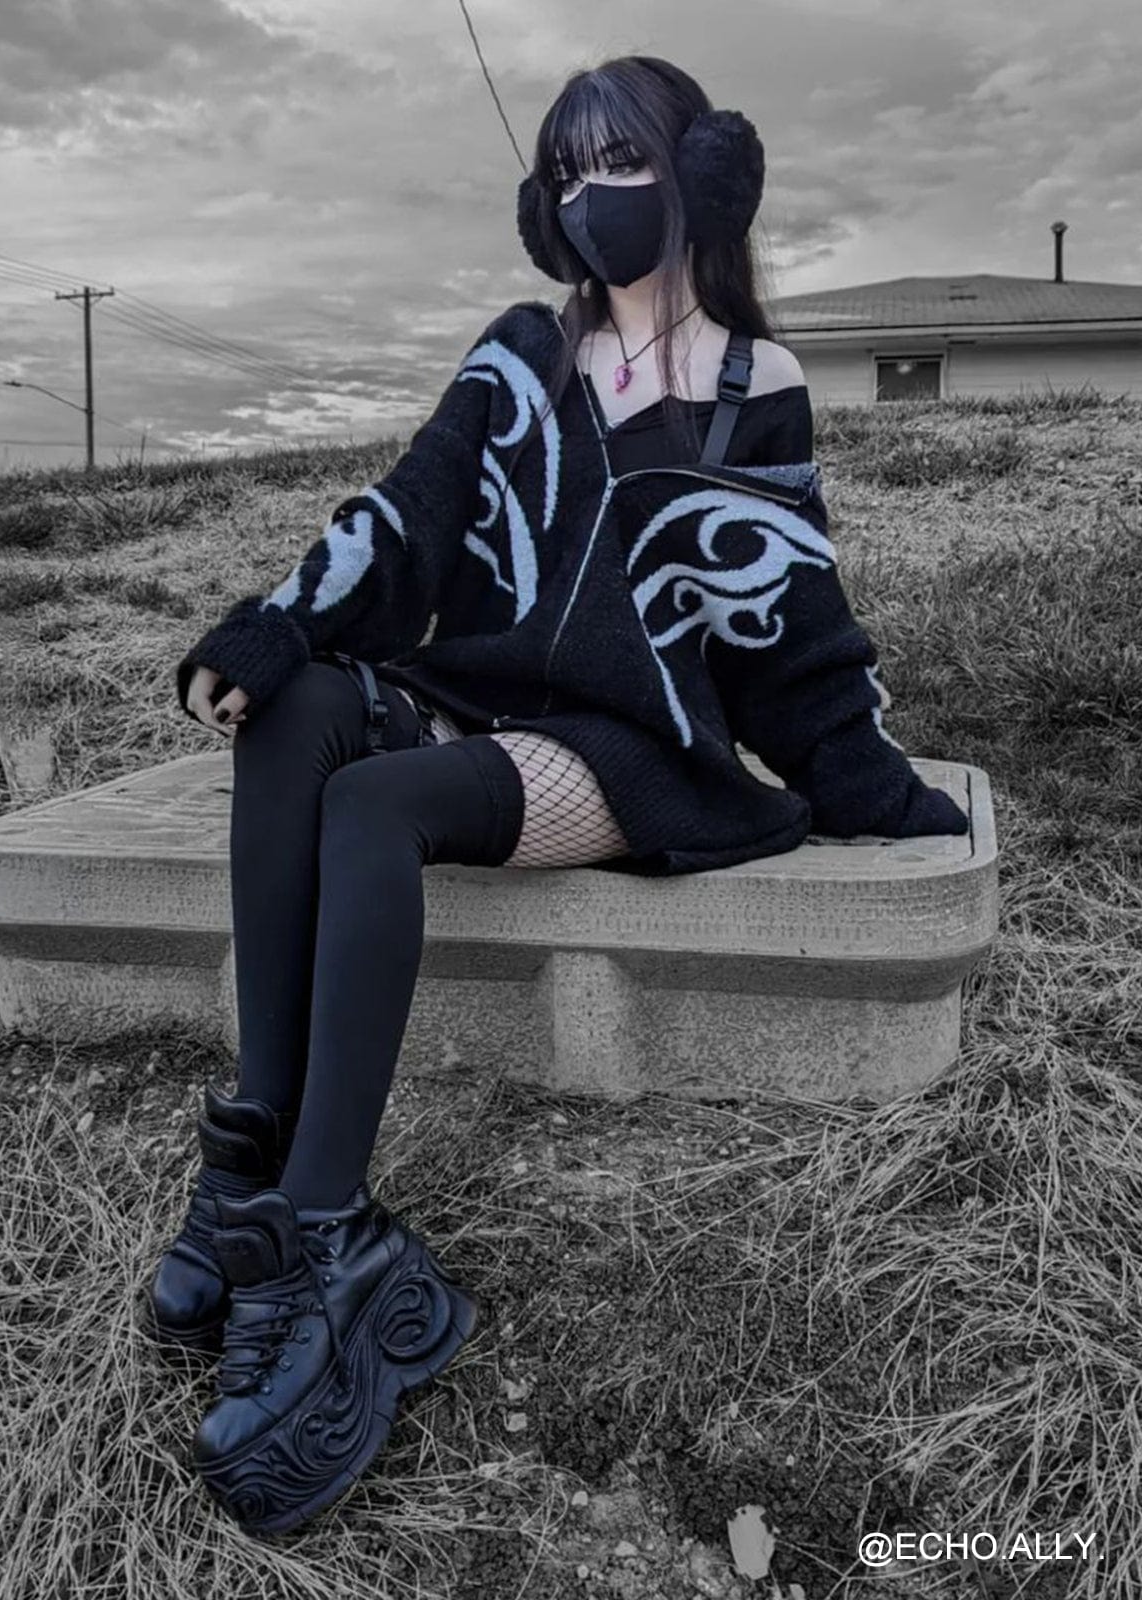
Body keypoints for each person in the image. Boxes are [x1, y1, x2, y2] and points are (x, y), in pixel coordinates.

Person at [143, 54, 969, 1536]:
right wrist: (273, 624)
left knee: (372, 808)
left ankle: (328, 1242)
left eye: (621, 164)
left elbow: (788, 622)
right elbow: (408, 511)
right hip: (481, 692)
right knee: (301, 708)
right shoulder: (521, 352)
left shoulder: (753, 386)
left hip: (628, 745)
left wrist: (876, 786)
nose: (593, 199)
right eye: (568, 174)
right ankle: (250, 1174)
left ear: (700, 175)